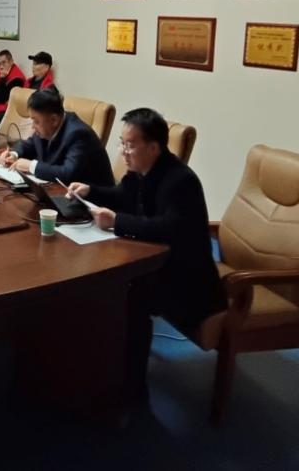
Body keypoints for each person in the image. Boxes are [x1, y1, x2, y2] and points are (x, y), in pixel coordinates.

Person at [65, 108, 224, 399]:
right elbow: (120, 196)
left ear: (153, 147)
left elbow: (169, 228)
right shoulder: (140, 170)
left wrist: (117, 221)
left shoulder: (180, 181)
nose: (123, 152)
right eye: (122, 144)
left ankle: (131, 387)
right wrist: (90, 191)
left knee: (129, 295)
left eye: (130, 145)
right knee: (105, 284)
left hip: (188, 279)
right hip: (157, 262)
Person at [0, 87, 113, 186]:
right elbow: (30, 144)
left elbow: (67, 174)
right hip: (60, 192)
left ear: (54, 120)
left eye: (36, 121)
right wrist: (13, 154)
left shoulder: (78, 134)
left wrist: (31, 166)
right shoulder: (47, 126)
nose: (33, 126)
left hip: (93, 201)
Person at [0, 49, 27, 128]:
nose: (1, 66)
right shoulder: (5, 73)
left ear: (11, 62)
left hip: (9, 109)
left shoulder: (17, 79)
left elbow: (0, 99)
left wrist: (2, 79)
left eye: (4, 62)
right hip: (0, 105)